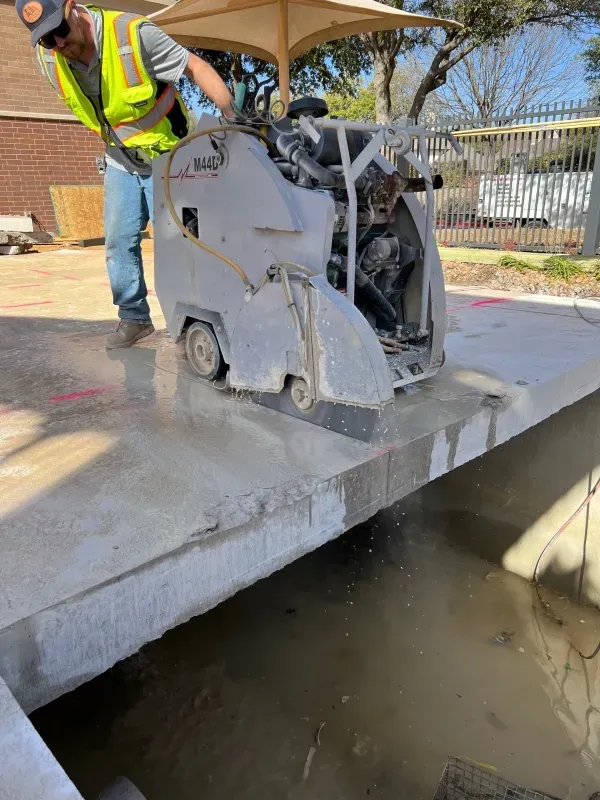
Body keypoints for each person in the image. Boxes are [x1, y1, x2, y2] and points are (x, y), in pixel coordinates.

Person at [16, 0, 235, 348]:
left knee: (182, 243)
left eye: (59, 30)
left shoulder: (133, 35)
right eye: (45, 39)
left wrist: (230, 117)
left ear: (72, 7)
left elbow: (194, 66)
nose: (58, 44)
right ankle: (134, 318)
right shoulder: (50, 60)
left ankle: (202, 321)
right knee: (119, 242)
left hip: (168, 156)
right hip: (120, 158)